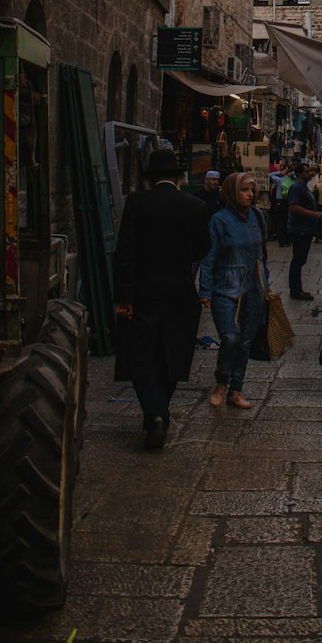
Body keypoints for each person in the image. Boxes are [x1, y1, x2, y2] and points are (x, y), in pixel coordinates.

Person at [113, 148, 211, 449]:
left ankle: (155, 415)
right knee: (172, 353)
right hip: (180, 292)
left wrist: (124, 296)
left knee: (141, 354)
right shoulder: (195, 205)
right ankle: (159, 412)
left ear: (150, 177)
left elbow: (125, 252)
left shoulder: (137, 203)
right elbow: (201, 248)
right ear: (179, 176)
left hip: (143, 292)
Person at [199, 173, 269, 410]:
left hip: (254, 288)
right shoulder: (219, 220)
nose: (250, 194)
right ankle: (221, 383)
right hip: (226, 287)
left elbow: (263, 253)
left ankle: (236, 389)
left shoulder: (257, 217)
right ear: (232, 192)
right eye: (245, 190)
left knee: (246, 341)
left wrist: (265, 282)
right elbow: (208, 257)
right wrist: (205, 290)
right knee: (230, 337)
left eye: (252, 190)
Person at [286, 162, 322, 300]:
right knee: (297, 261)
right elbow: (294, 207)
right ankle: (295, 291)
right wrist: (314, 215)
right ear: (299, 174)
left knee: (299, 261)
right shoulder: (297, 188)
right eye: (307, 171)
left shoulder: (303, 187)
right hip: (299, 230)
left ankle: (298, 289)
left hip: (305, 230)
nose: (310, 173)